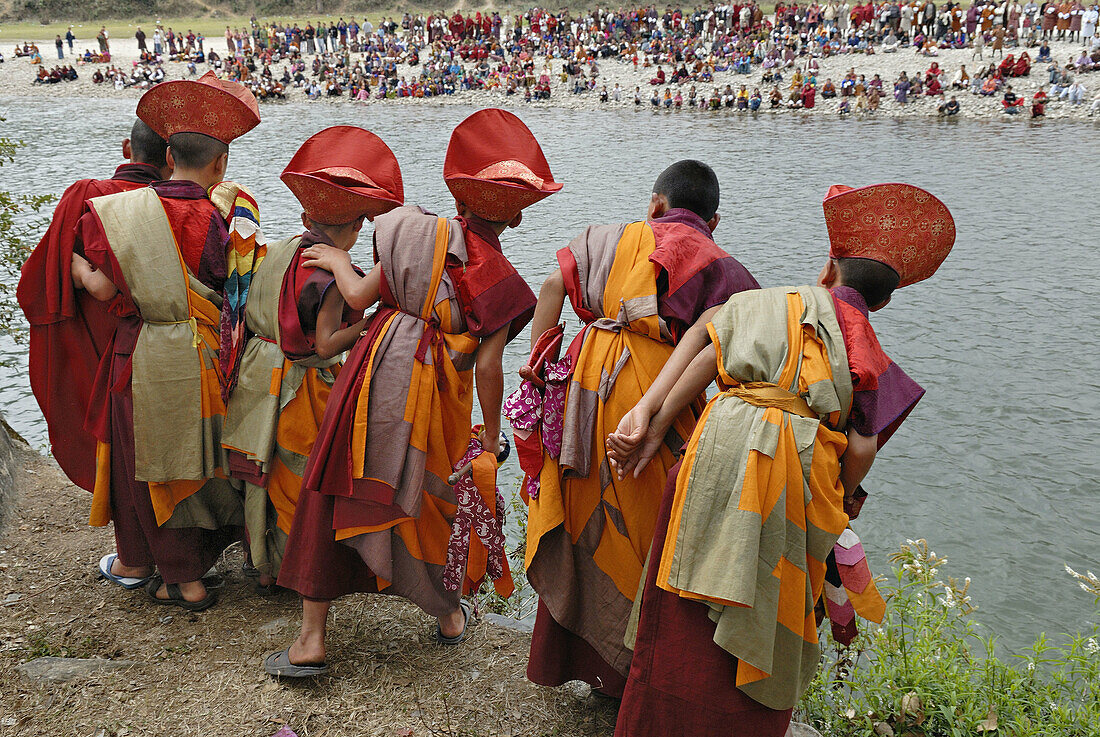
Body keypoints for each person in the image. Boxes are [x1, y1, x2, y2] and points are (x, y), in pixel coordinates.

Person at [607, 182, 955, 737]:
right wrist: (839, 493)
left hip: (713, 453)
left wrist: (650, 417)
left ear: (827, 270)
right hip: (793, 481)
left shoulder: (768, 304)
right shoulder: (875, 357)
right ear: (885, 301)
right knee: (766, 616)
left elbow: (705, 342)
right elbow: (862, 448)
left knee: (680, 612)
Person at [266, 109, 560, 678]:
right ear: (518, 220)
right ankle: (448, 616)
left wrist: (333, 260)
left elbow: (355, 295)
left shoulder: (411, 230)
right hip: (441, 396)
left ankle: (311, 639)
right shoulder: (503, 279)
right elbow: (491, 366)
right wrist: (493, 435)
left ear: (457, 193)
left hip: (377, 371)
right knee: (432, 497)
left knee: (337, 481)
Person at [516, 161, 759, 698]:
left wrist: (540, 363)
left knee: (584, 514)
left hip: (582, 392)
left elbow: (552, 282)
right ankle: (638, 674)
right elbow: (731, 345)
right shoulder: (718, 263)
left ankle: (592, 666)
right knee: (653, 535)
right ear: (713, 220)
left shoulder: (604, 238)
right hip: (658, 404)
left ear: (654, 205)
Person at [70, 71, 263, 611]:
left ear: (163, 156)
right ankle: (200, 563)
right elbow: (235, 290)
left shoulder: (121, 213)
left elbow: (106, 286)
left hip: (144, 353)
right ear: (220, 164)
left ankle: (178, 577)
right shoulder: (223, 217)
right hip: (206, 355)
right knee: (200, 457)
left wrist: (81, 271)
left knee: (147, 460)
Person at [222, 126, 404, 592]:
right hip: (297, 388)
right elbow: (324, 345)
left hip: (256, 374)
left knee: (264, 475)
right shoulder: (326, 274)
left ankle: (261, 564)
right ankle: (289, 570)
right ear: (357, 226)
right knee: (298, 484)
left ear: (306, 215)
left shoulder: (281, 251)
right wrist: (370, 325)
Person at [18, 121, 170, 515]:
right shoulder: (181, 203)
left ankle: (130, 539)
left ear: (126, 148)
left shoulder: (87, 195)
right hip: (166, 342)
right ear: (173, 159)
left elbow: (38, 285)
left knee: (116, 436)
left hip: (100, 340)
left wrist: (80, 271)